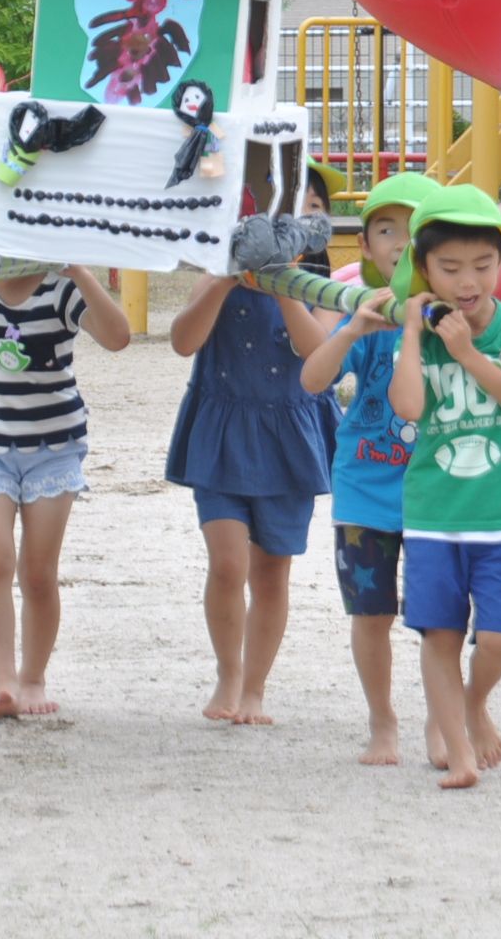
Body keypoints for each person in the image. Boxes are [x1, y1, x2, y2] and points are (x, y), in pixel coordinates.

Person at [387, 186, 501, 790]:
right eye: (450, 268)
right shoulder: (419, 330)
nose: (468, 282)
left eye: (483, 266)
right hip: (432, 512)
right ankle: (460, 756)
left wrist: (466, 354)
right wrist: (413, 333)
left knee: (497, 635)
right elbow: (408, 409)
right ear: (424, 270)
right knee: (438, 632)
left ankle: (473, 701)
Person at [165, 210, 338, 725]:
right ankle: (229, 673)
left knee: (271, 573)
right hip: (222, 432)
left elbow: (316, 354)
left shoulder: (323, 291)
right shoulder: (213, 278)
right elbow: (182, 341)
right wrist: (223, 278)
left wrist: (282, 282)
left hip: (288, 440)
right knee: (227, 564)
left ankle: (256, 687)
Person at [299, 171, 438, 765]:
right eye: (386, 230)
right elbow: (313, 379)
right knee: (371, 613)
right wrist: (353, 327)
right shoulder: (365, 307)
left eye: (414, 232)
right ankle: (383, 722)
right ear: (365, 245)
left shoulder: (449, 317)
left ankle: (443, 719)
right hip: (363, 488)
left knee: (440, 620)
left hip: (437, 492)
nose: (400, 242)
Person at [0, 258, 132, 720]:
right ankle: (4, 680)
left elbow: (118, 337)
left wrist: (81, 272)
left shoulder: (60, 288)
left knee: (38, 572)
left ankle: (33, 676)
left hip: (52, 447)